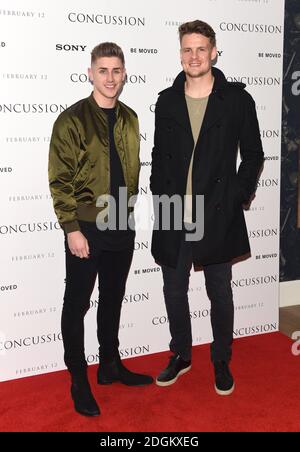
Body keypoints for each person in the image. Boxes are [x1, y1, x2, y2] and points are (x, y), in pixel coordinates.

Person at [150, 20, 264, 395]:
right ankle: (181, 354)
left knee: (220, 290)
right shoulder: (166, 100)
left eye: (201, 48)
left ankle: (220, 359)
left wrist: (237, 196)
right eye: (187, 49)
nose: (194, 56)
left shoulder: (236, 99)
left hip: (217, 212)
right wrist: (157, 194)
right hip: (173, 211)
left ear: (214, 51)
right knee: (172, 289)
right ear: (180, 53)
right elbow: (159, 155)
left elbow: (253, 155)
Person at [48, 42, 153, 417]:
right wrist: (71, 228)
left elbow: (130, 170)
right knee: (76, 304)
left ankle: (110, 364)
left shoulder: (130, 118)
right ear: (90, 72)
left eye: (117, 70)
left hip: (121, 224)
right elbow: (59, 181)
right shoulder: (72, 120)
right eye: (103, 70)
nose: (110, 78)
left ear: (124, 74)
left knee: (112, 297)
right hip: (86, 226)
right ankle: (79, 379)